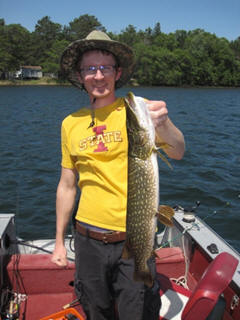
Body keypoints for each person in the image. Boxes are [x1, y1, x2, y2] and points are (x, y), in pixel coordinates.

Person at [52, 30, 185, 320]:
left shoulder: (138, 110)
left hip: (135, 239)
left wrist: (163, 125)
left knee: (135, 312)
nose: (98, 76)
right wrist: (60, 240)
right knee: (96, 310)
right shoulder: (69, 124)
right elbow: (66, 185)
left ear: (117, 72)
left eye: (105, 68)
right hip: (87, 241)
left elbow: (177, 151)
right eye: (90, 69)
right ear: (80, 75)